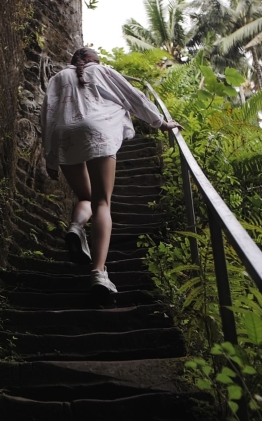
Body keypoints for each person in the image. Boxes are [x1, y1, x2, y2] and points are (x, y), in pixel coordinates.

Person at [41, 47, 183, 294]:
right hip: (99, 130)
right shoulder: (104, 71)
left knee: (85, 197)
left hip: (65, 134)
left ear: (74, 60)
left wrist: (50, 157)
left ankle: (76, 226)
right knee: (102, 203)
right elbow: (134, 97)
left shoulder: (58, 78)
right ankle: (98, 271)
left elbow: (47, 116)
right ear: (94, 60)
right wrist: (160, 123)